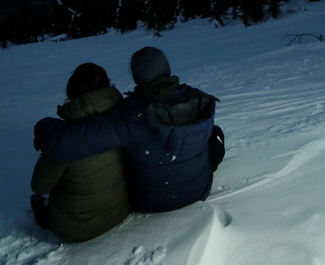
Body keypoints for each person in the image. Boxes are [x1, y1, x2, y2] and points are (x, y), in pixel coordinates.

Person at [34, 47, 224, 213]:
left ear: (137, 77)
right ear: (167, 69)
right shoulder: (199, 99)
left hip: (154, 203)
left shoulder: (130, 115)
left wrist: (43, 127)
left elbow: (65, 143)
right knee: (214, 133)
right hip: (200, 191)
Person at [30, 63, 131, 242]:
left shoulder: (64, 140)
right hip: (121, 211)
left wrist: (45, 153)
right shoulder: (125, 119)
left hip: (78, 229)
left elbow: (39, 186)